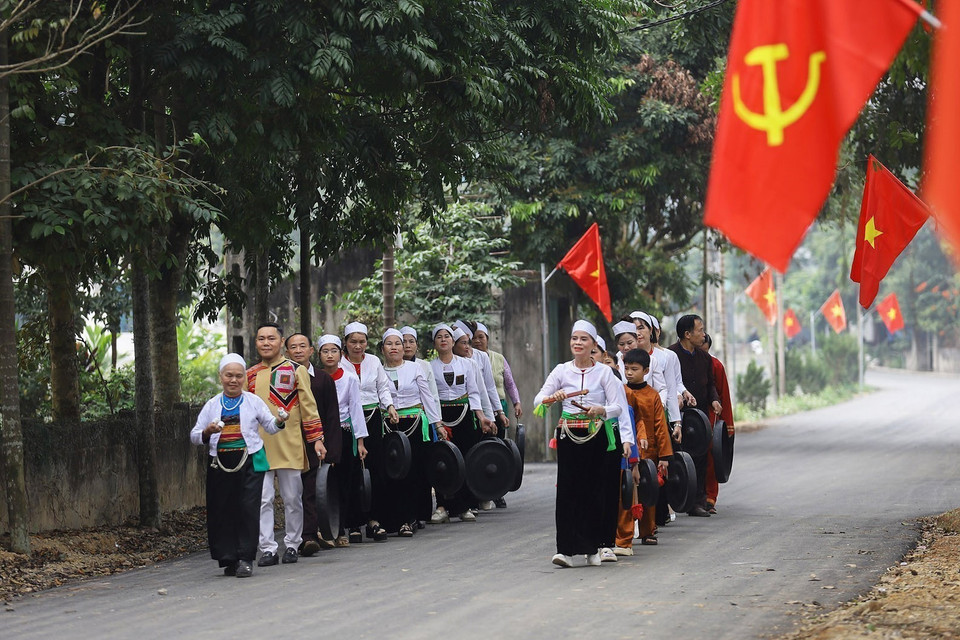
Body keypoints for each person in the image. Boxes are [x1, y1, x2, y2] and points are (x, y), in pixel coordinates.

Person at [534, 320, 634, 568]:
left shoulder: (603, 373)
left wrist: (602, 410)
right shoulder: (560, 371)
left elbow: (619, 406)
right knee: (568, 491)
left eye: (583, 339)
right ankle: (565, 550)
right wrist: (550, 398)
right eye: (574, 339)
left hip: (598, 435)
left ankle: (595, 548)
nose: (577, 343)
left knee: (596, 490)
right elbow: (539, 399)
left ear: (593, 345)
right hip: (569, 436)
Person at [191, 354, 286, 578]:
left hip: (249, 460)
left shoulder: (253, 401)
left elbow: (270, 426)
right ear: (221, 377)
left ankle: (245, 558)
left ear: (245, 377)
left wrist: (281, 420)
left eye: (238, 376)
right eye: (229, 375)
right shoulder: (212, 404)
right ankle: (229, 558)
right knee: (223, 509)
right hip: (220, 463)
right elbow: (194, 435)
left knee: (247, 508)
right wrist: (208, 432)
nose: (233, 380)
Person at [246, 323, 326, 567]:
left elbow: (308, 407)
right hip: (259, 445)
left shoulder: (296, 369)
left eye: (271, 338)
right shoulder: (249, 375)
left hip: (289, 442)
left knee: (293, 497)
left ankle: (292, 544)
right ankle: (268, 548)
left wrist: (317, 439)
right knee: (263, 498)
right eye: (261, 339)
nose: (266, 343)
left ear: (281, 342)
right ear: (256, 343)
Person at [284, 333, 346, 554]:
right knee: (292, 492)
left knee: (311, 490)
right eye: (293, 347)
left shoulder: (322, 379)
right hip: (289, 442)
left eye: (303, 346)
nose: (298, 350)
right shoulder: (281, 379)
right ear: (287, 352)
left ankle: (308, 536)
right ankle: (296, 535)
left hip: (316, 444)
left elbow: (332, 416)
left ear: (311, 351)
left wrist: (332, 450)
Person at [380, 328, 443, 536]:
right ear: (382, 348)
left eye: (398, 343)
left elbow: (428, 398)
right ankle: (392, 519)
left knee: (413, 472)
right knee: (392, 473)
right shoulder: (379, 371)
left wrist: (437, 424)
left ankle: (410, 519)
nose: (395, 347)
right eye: (389, 344)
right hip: (389, 426)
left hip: (415, 425)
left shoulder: (415, 369)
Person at [341, 321, 399, 542]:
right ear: (345, 343)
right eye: (353, 342)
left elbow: (382, 387)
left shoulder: (374, 361)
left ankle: (374, 520)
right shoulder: (339, 363)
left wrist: (390, 407)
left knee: (375, 469)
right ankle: (353, 523)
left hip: (372, 417)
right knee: (352, 470)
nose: (358, 346)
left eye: (362, 341)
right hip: (347, 422)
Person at [615, 349, 673, 554]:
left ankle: (648, 531)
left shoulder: (653, 396)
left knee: (648, 491)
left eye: (634, 369)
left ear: (646, 370)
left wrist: (664, 456)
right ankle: (624, 534)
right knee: (627, 492)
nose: (629, 373)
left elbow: (660, 426)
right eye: (627, 368)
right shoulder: (620, 391)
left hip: (649, 452)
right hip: (626, 451)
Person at [429, 323, 486, 523]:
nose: (443, 339)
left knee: (464, 459)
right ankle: (442, 506)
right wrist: (437, 422)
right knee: (443, 461)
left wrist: (481, 416)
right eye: (439, 337)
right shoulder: (429, 367)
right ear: (434, 343)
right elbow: (430, 396)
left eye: (447, 336)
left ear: (453, 341)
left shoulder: (467, 364)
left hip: (464, 413)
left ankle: (465, 506)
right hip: (440, 415)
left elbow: (474, 392)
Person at [317, 335, 368, 546]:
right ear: (318, 354)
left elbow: (356, 409)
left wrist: (360, 441)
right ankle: (322, 529)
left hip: (344, 433)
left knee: (344, 482)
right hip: (320, 435)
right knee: (322, 484)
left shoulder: (349, 378)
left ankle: (342, 529)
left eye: (334, 351)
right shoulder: (314, 378)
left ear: (341, 353)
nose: (330, 355)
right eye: (325, 351)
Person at [669, 314, 722, 518]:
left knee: (699, 457)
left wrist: (715, 400)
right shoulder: (671, 355)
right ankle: (674, 500)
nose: (703, 333)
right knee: (677, 457)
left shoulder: (705, 358)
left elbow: (710, 385)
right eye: (700, 330)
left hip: (698, 418)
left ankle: (697, 502)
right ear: (687, 334)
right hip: (677, 415)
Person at [699, 333, 735, 514]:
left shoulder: (715, 365)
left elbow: (724, 396)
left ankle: (710, 497)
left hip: (711, 415)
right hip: (691, 415)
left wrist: (727, 424)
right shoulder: (680, 361)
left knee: (712, 454)